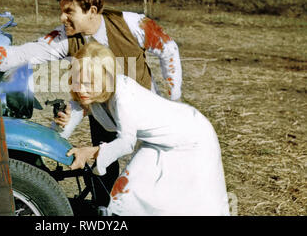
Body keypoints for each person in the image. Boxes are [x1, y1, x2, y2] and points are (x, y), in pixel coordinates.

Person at [0, 0, 183, 206]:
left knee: (155, 175)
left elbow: (169, 49)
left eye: (69, 11)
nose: (62, 17)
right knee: (103, 172)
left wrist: (172, 101)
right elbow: (21, 55)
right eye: (61, 10)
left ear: (92, 10)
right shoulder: (64, 38)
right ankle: (103, 212)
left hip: (144, 113)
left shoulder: (131, 23)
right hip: (103, 113)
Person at [63, 41, 230, 216]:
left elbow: (126, 142)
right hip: (158, 142)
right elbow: (68, 119)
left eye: (88, 84)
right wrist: (62, 123)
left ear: (106, 80)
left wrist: (88, 152)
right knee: (131, 194)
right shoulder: (91, 95)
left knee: (193, 201)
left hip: (192, 137)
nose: (81, 89)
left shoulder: (123, 94)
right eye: (77, 82)